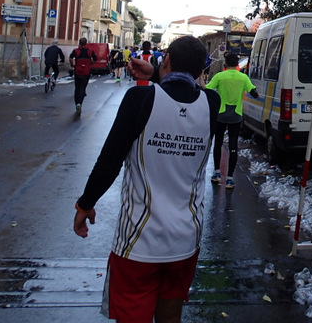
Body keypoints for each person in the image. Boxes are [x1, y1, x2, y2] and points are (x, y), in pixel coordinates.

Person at [73, 35, 219, 323]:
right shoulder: (212, 104)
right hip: (186, 239)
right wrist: (162, 74)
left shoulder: (139, 98)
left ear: (166, 60)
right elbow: (185, 100)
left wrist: (85, 204)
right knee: (170, 312)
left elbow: (110, 160)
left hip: (139, 242)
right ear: (202, 71)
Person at [205, 51, 259, 189]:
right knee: (233, 146)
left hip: (221, 114)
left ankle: (217, 174)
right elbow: (254, 93)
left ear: (226, 64)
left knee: (218, 143)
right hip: (236, 115)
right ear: (237, 64)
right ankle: (229, 179)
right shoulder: (243, 77)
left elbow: (208, 90)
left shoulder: (219, 76)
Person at [69, 38, 97, 116]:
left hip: (77, 72)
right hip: (86, 72)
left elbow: (71, 58)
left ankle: (76, 105)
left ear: (79, 43)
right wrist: (90, 63)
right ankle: (79, 104)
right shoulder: (90, 51)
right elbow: (95, 59)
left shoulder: (76, 51)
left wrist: (73, 65)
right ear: (86, 43)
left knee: (77, 88)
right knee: (82, 88)